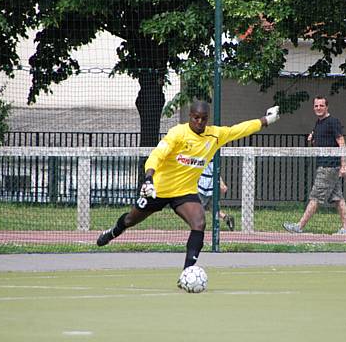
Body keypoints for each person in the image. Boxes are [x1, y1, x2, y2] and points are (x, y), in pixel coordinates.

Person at [96, 100, 280, 281]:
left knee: (199, 223)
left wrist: (267, 120)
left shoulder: (215, 135)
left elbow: (239, 129)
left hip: (185, 192)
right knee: (130, 219)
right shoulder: (177, 133)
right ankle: (112, 232)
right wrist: (148, 178)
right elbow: (157, 155)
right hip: (158, 189)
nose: (199, 122)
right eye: (196, 118)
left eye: (203, 119)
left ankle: (187, 272)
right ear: (190, 116)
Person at [283, 96, 346, 235]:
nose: (318, 108)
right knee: (338, 198)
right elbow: (320, 141)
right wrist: (312, 138)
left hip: (329, 167)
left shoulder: (333, 122)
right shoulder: (318, 123)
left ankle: (299, 226)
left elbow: (341, 142)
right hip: (324, 165)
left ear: (327, 107)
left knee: (315, 197)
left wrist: (344, 165)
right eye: (316, 106)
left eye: (321, 105)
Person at [198, 160, 234, 231]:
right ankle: (227, 218)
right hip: (209, 189)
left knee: (198, 209)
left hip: (204, 189)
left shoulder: (208, 158)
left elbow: (215, 172)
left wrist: (222, 184)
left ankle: (198, 228)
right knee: (214, 209)